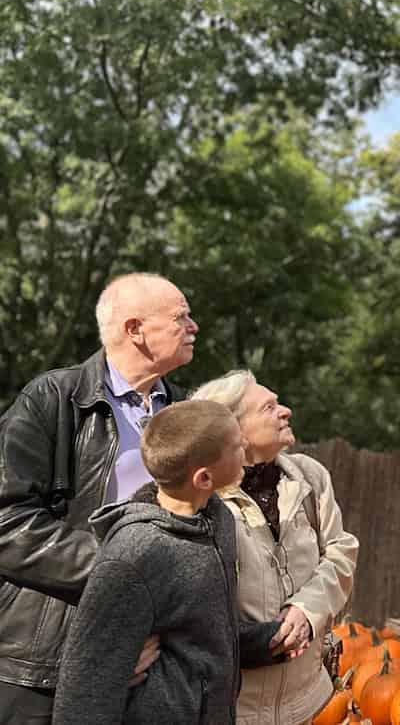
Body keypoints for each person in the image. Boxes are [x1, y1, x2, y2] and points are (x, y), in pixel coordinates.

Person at [0, 272, 198, 723]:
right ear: (135, 330)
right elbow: (7, 522)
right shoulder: (52, 398)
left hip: (156, 665)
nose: (194, 327)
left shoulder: (191, 415)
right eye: (181, 316)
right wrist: (125, 574)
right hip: (44, 662)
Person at [53, 400, 283, 724]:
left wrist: (266, 641)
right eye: (235, 446)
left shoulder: (219, 521)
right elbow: (86, 687)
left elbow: (203, 629)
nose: (245, 445)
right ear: (203, 478)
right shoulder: (134, 556)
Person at [193, 370, 358, 725]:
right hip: (231, 708)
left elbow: (341, 552)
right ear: (234, 430)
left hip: (308, 702)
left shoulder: (310, 478)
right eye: (269, 407)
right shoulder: (200, 497)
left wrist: (307, 610)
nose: (286, 411)